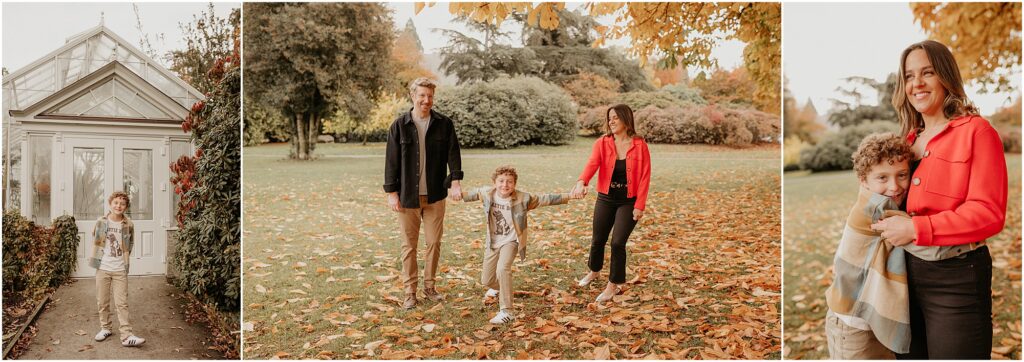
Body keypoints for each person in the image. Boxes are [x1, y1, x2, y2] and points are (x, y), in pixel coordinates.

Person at [871, 39, 1007, 359]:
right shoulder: (907, 138)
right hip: (902, 276)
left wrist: (918, 228)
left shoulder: (977, 132)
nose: (916, 83)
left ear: (945, 77)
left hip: (955, 279)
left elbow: (988, 213)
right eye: (908, 76)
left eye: (927, 73)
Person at [824, 133, 963, 360]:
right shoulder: (877, 209)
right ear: (863, 180)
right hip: (851, 322)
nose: (894, 186)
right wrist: (965, 244)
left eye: (902, 175)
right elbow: (924, 245)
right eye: (882, 178)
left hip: (870, 318)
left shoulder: (884, 201)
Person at [458, 165, 577, 324]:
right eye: (501, 181)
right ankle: (501, 288)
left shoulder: (523, 198)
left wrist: (569, 195)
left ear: (514, 184)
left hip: (511, 241)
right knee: (486, 280)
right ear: (494, 182)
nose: (505, 185)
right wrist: (456, 193)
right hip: (493, 242)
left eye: (509, 182)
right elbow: (468, 195)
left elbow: (545, 198)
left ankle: (507, 311)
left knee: (503, 268)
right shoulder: (487, 193)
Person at [383, 77, 464, 309]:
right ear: (413, 96)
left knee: (434, 243)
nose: (426, 100)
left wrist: (455, 181)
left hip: (436, 195)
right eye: (422, 95)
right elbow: (391, 161)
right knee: (409, 246)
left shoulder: (444, 124)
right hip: (407, 196)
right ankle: (410, 292)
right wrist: (391, 192)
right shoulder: (399, 126)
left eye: (429, 96)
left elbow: (453, 154)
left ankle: (429, 287)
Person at [570, 104, 652, 302]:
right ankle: (594, 271)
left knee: (617, 243)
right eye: (610, 118)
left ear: (626, 119)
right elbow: (592, 163)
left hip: (628, 201)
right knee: (598, 239)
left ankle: (613, 285)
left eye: (615, 117)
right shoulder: (603, 142)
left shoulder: (640, 144)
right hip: (606, 198)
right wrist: (582, 181)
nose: (611, 121)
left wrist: (640, 205)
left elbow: (645, 176)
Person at [89, 191, 145, 347]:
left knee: (122, 303)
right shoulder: (101, 221)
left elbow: (130, 244)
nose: (118, 206)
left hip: (120, 268)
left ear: (125, 207)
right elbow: (95, 237)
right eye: (116, 203)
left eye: (122, 204)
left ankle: (126, 336)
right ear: (110, 204)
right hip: (103, 268)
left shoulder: (128, 224)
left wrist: (125, 259)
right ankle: (105, 328)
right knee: (102, 301)